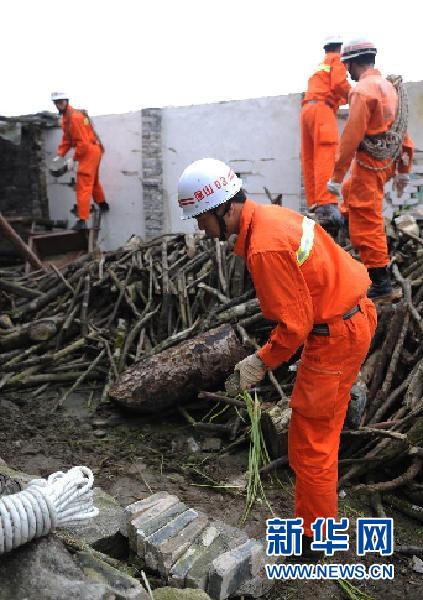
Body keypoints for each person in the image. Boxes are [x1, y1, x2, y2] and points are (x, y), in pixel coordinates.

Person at [178, 158, 376, 559]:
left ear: (222, 209)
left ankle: (313, 543)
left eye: (201, 218)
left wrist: (259, 362)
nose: (201, 229)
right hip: (351, 319)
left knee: (311, 444)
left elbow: (294, 326)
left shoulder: (265, 246)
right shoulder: (271, 218)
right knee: (317, 436)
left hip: (335, 335)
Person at [326, 39, 414, 299]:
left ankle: (381, 281)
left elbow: (351, 138)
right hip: (386, 163)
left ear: (352, 64)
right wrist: (403, 170)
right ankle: (343, 220)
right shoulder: (390, 87)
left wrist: (335, 176)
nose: (348, 74)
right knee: (350, 190)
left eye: (347, 67)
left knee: (368, 219)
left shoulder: (362, 91)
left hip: (370, 165)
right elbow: (401, 131)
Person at [301, 35, 350, 233]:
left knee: (310, 158)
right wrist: (358, 96)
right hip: (322, 110)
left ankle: (314, 202)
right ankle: (327, 205)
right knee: (325, 155)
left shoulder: (320, 66)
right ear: (340, 49)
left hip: (307, 110)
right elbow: (340, 84)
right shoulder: (336, 60)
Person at [51, 92, 109, 230]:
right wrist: (60, 154)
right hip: (92, 150)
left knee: (83, 185)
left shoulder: (75, 117)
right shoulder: (67, 117)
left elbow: (83, 143)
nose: (59, 104)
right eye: (57, 102)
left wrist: (74, 159)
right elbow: (68, 139)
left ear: (66, 101)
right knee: (92, 180)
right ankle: (102, 204)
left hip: (88, 151)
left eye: (61, 101)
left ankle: (82, 220)